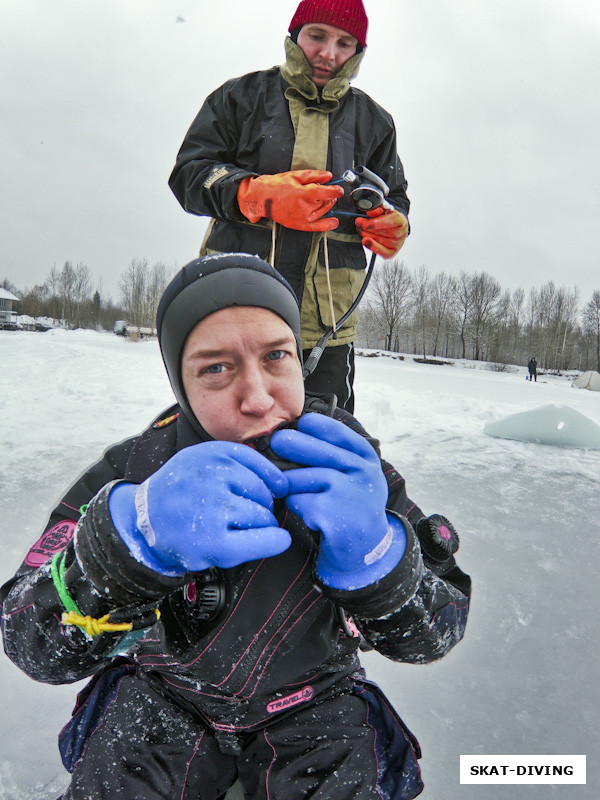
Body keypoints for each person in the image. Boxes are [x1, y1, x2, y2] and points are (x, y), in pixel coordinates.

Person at [1, 253, 470, 800]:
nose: (257, 398)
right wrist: (127, 547)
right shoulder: (135, 472)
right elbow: (26, 636)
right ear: (181, 382)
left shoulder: (350, 466)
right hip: (165, 698)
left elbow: (436, 632)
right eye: (216, 367)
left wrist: (379, 556)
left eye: (277, 357)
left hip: (317, 703)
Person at [168, 0, 410, 413]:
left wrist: (394, 224)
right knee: (224, 439)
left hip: (327, 330)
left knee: (325, 448)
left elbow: (395, 196)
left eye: (344, 43)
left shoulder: (375, 122)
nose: (328, 54)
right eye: (317, 36)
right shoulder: (239, 98)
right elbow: (189, 175)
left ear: (358, 51)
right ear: (295, 34)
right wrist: (254, 193)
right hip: (236, 313)